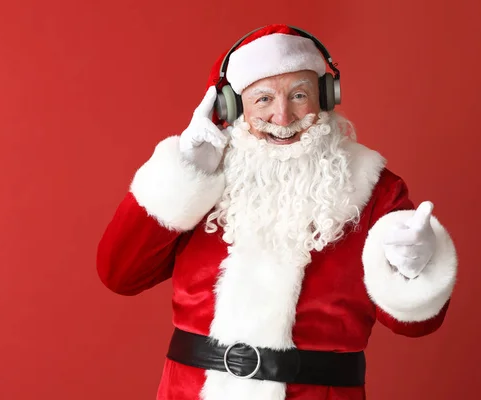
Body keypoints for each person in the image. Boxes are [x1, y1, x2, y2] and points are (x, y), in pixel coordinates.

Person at [97, 24, 458, 400]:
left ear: (326, 97)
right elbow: (119, 274)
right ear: (233, 107)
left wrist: (412, 269)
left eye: (299, 95)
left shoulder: (376, 188)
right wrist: (182, 174)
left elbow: (418, 325)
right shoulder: (202, 174)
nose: (283, 118)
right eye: (264, 99)